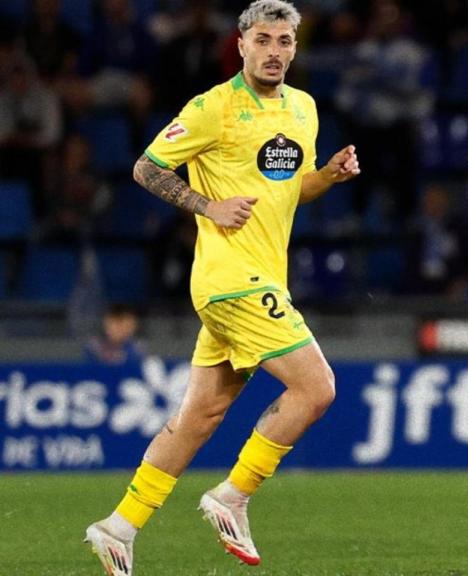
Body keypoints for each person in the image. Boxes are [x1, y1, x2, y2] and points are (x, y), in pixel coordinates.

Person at [83, 2, 360, 575]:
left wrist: (327, 177)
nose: (275, 51)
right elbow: (147, 167)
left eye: (285, 41)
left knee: (198, 420)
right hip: (231, 279)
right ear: (240, 45)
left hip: (255, 279)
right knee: (317, 389)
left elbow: (287, 189)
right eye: (263, 39)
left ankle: (118, 527)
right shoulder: (213, 107)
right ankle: (232, 495)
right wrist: (208, 204)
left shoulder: (303, 109)